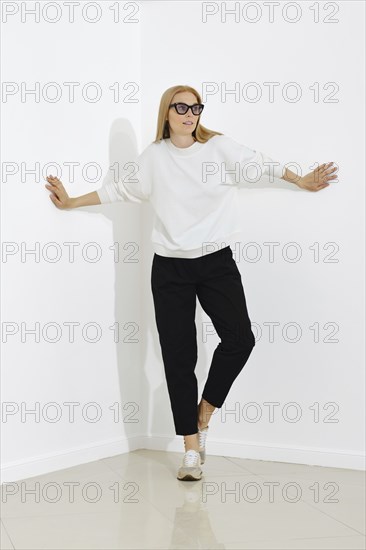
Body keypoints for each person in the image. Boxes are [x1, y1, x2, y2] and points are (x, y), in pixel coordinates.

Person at [45, 84, 337, 481]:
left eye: (196, 107)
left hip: (216, 262)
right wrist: (72, 201)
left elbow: (262, 164)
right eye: (181, 106)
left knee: (240, 339)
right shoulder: (153, 158)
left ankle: (205, 412)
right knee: (177, 358)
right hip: (169, 270)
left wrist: (300, 180)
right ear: (166, 112)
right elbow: (119, 190)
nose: (189, 113)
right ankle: (190, 449)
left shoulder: (219, 148)